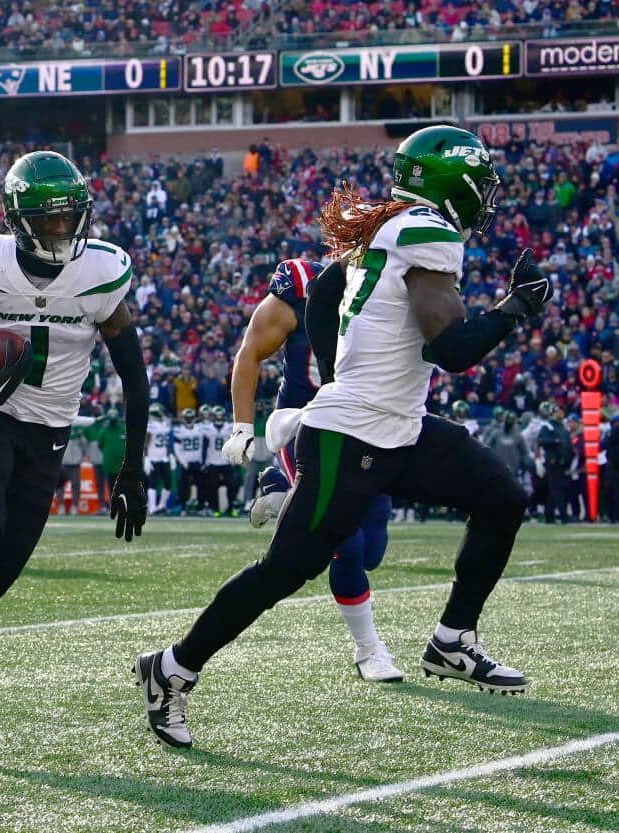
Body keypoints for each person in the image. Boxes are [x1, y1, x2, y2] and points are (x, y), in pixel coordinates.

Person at [135, 126, 551, 749]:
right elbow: (456, 350)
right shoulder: (427, 231)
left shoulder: (385, 228)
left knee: (500, 497)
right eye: (479, 184)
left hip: (395, 427)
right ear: (451, 183)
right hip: (354, 434)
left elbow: (326, 292)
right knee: (286, 569)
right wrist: (519, 306)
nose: (484, 198)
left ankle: (452, 640)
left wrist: (336, 376)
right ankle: (170, 668)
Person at [0, 150, 150, 757]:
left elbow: (135, 377)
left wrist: (131, 468)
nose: (62, 229)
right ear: (19, 219)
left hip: (51, 432)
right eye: (49, 219)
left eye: (70, 217)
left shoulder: (102, 272)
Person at [222, 256, 400, 683]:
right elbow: (251, 350)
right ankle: (369, 649)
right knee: (348, 542)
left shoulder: (396, 286)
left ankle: (282, 493)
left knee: (373, 549)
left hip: (367, 428)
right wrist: (242, 427)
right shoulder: (303, 285)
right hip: (307, 425)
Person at [538, 404, 572, 524]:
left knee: (556, 489)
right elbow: (541, 440)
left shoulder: (563, 428)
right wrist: (555, 441)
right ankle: (563, 515)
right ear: (553, 413)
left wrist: (570, 456)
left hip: (563, 463)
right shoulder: (548, 426)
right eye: (559, 411)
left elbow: (568, 444)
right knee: (557, 489)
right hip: (553, 462)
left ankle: (549, 515)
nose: (561, 413)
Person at [173, 408, 206, 514]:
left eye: (190, 418)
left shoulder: (201, 428)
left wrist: (202, 461)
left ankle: (200, 507)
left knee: (201, 485)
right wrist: (183, 462)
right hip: (185, 463)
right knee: (183, 486)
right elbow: (176, 449)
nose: (188, 420)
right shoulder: (179, 430)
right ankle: (183, 506)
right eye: (187, 418)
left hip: (197, 462)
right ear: (183, 418)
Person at [145, 404, 173, 515]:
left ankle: (161, 506)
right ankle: (152, 508)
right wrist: (146, 458)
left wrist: (170, 454)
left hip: (164, 457)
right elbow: (145, 444)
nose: (164, 413)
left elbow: (166, 442)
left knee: (168, 483)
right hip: (153, 457)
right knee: (153, 483)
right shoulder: (150, 425)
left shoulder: (165, 424)